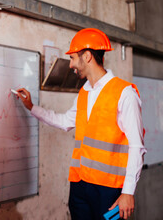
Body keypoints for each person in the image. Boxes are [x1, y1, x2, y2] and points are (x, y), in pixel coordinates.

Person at [16, 28, 146, 220]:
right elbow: (64, 122)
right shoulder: (84, 93)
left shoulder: (124, 93)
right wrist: (31, 107)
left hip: (110, 190)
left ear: (87, 56)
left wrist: (128, 192)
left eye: (73, 58)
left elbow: (136, 146)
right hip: (80, 185)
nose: (70, 65)